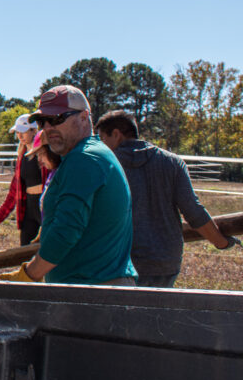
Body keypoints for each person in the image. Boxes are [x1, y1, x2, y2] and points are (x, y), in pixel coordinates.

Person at [0, 85, 136, 285]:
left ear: (83, 117)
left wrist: (29, 274)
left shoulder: (83, 159)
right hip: (97, 284)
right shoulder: (94, 153)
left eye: (56, 119)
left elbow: (66, 231)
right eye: (42, 121)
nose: (47, 128)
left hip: (93, 291)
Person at [95, 109, 239, 287]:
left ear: (116, 134)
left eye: (102, 139)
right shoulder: (172, 162)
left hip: (120, 263)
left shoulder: (104, 165)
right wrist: (221, 242)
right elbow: (193, 211)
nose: (100, 145)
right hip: (165, 260)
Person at [0, 114, 45, 244]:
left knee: (46, 250)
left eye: (23, 132)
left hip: (45, 207)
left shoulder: (45, 154)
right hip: (28, 208)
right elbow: (14, 191)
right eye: (17, 132)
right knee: (24, 249)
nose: (20, 136)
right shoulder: (21, 157)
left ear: (34, 131)